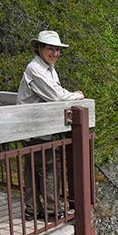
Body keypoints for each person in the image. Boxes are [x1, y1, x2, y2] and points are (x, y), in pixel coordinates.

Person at [17, 30, 84, 221]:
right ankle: (52, 210)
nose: (54, 53)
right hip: (35, 125)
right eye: (50, 49)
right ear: (40, 48)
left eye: (57, 50)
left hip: (36, 125)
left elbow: (54, 90)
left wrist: (70, 94)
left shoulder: (46, 67)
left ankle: (32, 210)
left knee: (33, 167)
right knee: (48, 168)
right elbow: (55, 96)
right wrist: (76, 96)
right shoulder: (35, 69)